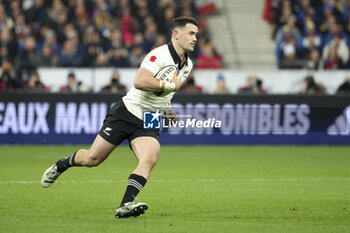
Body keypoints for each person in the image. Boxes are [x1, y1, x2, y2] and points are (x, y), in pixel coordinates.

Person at [41, 16, 198, 219]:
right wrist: (169, 86)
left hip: (150, 117)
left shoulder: (188, 64)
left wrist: (167, 108)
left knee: (150, 158)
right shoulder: (159, 55)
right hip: (127, 112)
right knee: (92, 159)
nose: (195, 38)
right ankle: (62, 164)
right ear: (176, 34)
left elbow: (167, 91)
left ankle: (126, 205)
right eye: (191, 33)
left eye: (196, 34)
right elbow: (140, 81)